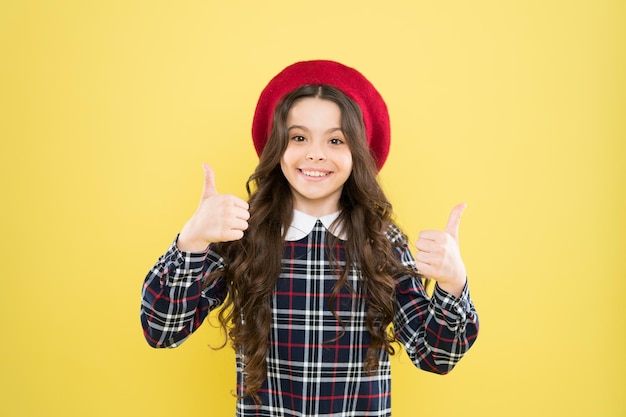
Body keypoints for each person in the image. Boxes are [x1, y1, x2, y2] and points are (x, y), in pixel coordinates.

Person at [141, 60, 479, 417]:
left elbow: (435, 356)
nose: (315, 153)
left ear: (358, 154)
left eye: (335, 140)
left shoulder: (382, 241)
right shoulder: (242, 232)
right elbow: (161, 329)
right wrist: (192, 239)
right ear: (277, 148)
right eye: (299, 137)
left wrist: (453, 284)